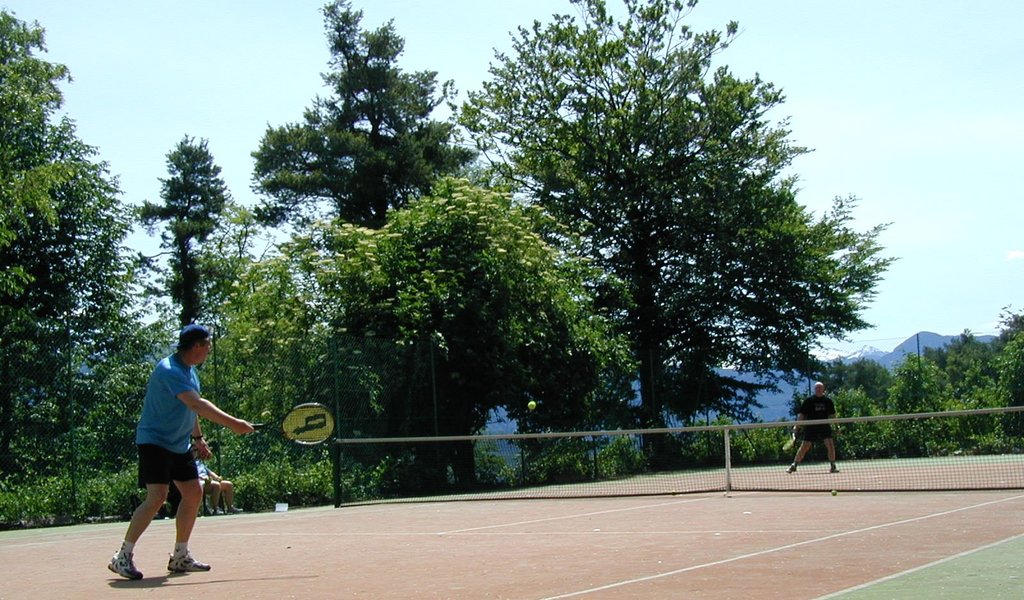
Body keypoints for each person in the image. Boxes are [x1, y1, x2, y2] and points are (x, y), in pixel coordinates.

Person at [108, 324, 254, 580]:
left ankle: (180, 556)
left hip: (179, 444)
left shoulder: (189, 371)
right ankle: (122, 556)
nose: (209, 350)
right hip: (155, 441)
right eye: (207, 345)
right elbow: (197, 403)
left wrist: (197, 438)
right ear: (196, 346)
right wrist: (234, 424)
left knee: (194, 492)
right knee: (157, 497)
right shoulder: (170, 370)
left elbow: (190, 409)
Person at [786, 381, 839, 474]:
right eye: (817, 388)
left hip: (824, 426)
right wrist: (796, 426)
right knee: (805, 446)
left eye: (820, 388)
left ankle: (833, 466)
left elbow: (833, 415)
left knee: (830, 444)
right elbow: (801, 415)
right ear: (815, 389)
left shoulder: (828, 401)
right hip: (811, 427)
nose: (818, 389)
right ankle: (794, 465)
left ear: (823, 389)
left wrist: (837, 426)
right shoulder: (808, 401)